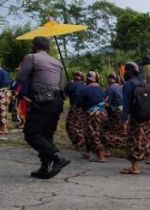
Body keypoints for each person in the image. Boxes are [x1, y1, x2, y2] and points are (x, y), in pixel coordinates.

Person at [15, 37, 69, 179]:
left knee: (31, 133)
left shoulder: (31, 57)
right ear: (48, 48)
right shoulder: (58, 63)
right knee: (46, 135)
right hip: (58, 101)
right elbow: (61, 84)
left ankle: (57, 157)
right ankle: (44, 168)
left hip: (43, 100)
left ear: (33, 46)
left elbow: (20, 78)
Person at [120, 62, 150, 175]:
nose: (124, 73)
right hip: (148, 116)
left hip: (137, 117)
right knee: (146, 140)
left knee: (133, 141)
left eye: (125, 71)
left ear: (129, 72)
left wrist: (123, 120)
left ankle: (135, 167)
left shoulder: (128, 84)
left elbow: (126, 103)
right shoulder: (141, 82)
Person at [79, 71, 108, 163]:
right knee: (96, 132)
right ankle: (89, 151)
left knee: (93, 133)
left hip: (92, 114)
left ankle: (101, 156)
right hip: (103, 113)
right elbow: (105, 101)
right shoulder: (102, 90)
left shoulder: (85, 90)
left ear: (88, 80)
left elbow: (80, 103)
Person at [103, 73, 127, 152]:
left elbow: (107, 104)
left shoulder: (110, 88)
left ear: (110, 80)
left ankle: (108, 150)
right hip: (124, 112)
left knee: (106, 130)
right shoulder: (122, 87)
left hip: (115, 113)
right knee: (122, 130)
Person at [64, 71, 86, 149]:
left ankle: (79, 140)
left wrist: (68, 86)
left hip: (75, 107)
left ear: (74, 77)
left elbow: (63, 96)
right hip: (85, 108)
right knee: (82, 125)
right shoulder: (85, 85)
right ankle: (81, 140)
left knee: (70, 125)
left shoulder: (71, 85)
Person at [0, 63, 12, 137]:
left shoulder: (1, 72)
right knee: (4, 112)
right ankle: (4, 128)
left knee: (1, 112)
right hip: (7, 93)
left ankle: (3, 129)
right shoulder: (5, 72)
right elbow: (10, 82)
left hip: (1, 93)